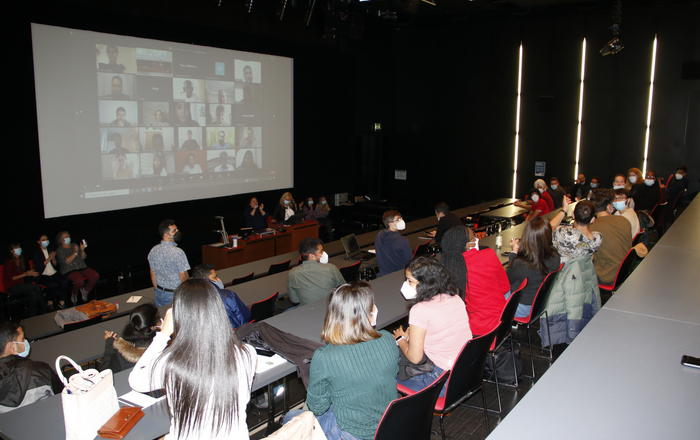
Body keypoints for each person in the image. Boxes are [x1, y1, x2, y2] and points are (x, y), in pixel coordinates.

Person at [129, 279, 256, 440]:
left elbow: (135, 380)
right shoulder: (247, 354)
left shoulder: (171, 363)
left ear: (178, 316)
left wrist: (162, 335)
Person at [283, 281, 399, 440]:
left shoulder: (324, 356)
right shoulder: (387, 339)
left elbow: (317, 407)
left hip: (353, 433)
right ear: (368, 313)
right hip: (389, 424)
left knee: (291, 417)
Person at [392, 257, 472, 396]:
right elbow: (443, 331)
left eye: (410, 281)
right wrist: (411, 336)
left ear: (425, 283)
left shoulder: (420, 310)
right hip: (465, 371)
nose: (406, 284)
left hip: (441, 380)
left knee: (389, 374)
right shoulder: (455, 298)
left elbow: (415, 358)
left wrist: (400, 339)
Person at [440, 226, 509, 337]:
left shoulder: (451, 268)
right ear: (467, 245)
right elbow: (505, 287)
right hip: (503, 318)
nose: (476, 239)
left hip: (479, 328)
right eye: (474, 237)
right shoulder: (489, 254)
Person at [0, 320, 63, 412]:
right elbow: (62, 397)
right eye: (22, 339)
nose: (26, 341)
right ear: (12, 347)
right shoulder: (40, 371)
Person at [506, 218, 561, 318]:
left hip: (520, 308)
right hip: (540, 304)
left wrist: (513, 254)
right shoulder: (555, 256)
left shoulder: (522, 263)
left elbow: (506, 281)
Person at [99, 303, 161, 374]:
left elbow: (105, 373)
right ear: (154, 327)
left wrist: (109, 344)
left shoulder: (121, 353)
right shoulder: (164, 348)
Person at [589, 189, 632, 285]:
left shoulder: (590, 228)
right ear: (609, 206)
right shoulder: (623, 220)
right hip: (624, 271)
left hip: (607, 276)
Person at [287, 238, 345, 307]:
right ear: (311, 256)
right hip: (330, 310)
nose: (324, 253)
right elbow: (343, 289)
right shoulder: (331, 268)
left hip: (306, 311)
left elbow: (295, 300)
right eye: (321, 251)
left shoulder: (293, 273)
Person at [193, 264, 251, 329]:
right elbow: (243, 317)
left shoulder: (191, 300)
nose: (219, 280)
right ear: (205, 281)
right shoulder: (228, 296)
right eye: (215, 277)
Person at [148, 220, 190, 307]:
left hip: (159, 293)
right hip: (175, 294)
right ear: (166, 235)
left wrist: (157, 289)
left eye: (177, 229)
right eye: (174, 231)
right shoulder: (178, 252)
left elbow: (152, 272)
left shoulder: (153, 250)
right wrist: (189, 292)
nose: (177, 232)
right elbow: (183, 276)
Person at [550, 198, 602, 264]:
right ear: (593, 220)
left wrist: (564, 209)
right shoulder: (597, 238)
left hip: (562, 272)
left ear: (573, 214)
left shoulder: (562, 232)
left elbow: (550, 227)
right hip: (581, 272)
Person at [3, 244, 49, 317]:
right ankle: (45, 308)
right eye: (16, 248)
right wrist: (25, 274)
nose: (18, 249)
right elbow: (10, 278)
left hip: (20, 285)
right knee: (35, 287)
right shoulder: (10, 261)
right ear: (11, 251)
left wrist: (30, 273)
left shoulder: (21, 259)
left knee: (33, 293)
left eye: (19, 247)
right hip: (11, 287)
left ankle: (32, 315)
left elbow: (23, 274)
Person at [55, 231, 99, 305]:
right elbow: (65, 262)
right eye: (66, 237)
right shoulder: (60, 249)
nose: (68, 238)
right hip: (69, 269)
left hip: (81, 267)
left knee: (95, 276)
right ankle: (74, 294)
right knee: (79, 281)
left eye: (68, 236)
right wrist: (75, 253)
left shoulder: (74, 245)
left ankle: (85, 291)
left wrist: (82, 250)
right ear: (61, 239)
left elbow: (83, 257)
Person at [32, 234, 70, 310]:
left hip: (53, 272)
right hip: (43, 274)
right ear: (38, 242)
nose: (45, 241)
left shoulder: (51, 249)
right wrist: (49, 258)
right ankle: (50, 302)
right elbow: (38, 266)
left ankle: (62, 301)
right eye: (43, 240)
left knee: (65, 281)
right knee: (51, 285)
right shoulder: (36, 252)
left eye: (46, 239)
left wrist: (54, 261)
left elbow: (56, 265)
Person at [374, 210, 413, 277]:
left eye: (401, 218)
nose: (401, 221)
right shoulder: (402, 240)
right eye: (398, 220)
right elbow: (410, 262)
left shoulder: (379, 235)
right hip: (400, 276)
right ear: (390, 224)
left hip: (383, 276)